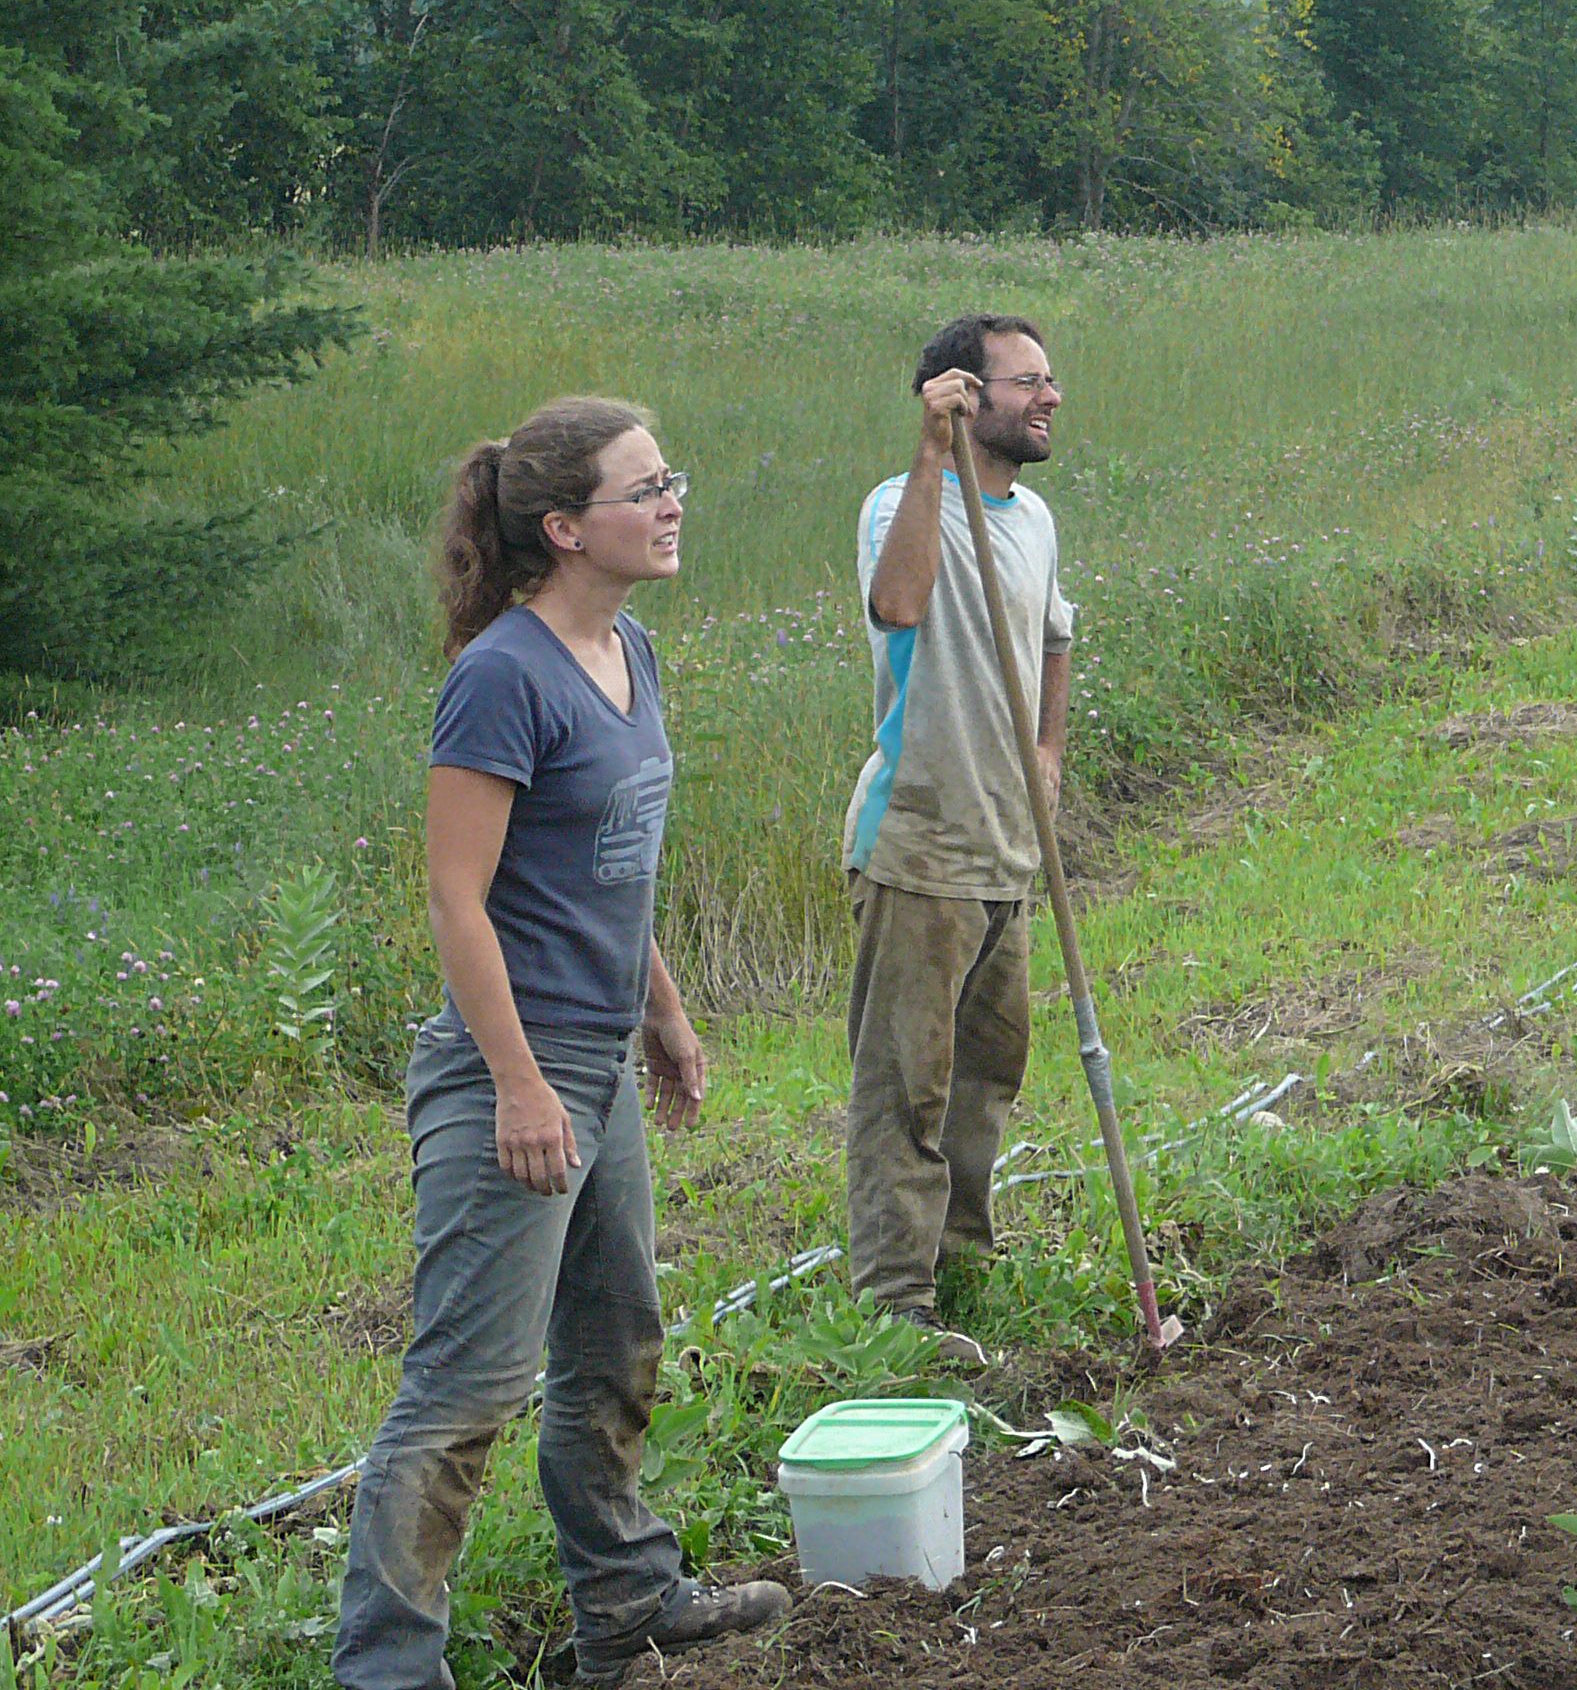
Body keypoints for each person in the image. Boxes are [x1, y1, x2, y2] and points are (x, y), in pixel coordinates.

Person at [335, 399, 789, 1690]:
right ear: (562, 526)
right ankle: (385, 1670)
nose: (672, 502)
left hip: (597, 1059)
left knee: (614, 1344)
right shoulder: (499, 676)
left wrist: (664, 1011)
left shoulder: (631, 652)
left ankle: (629, 1603)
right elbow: (457, 898)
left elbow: (607, 868)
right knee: (467, 1390)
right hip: (512, 1078)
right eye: (646, 488)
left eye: (670, 479)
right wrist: (521, 1085)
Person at [839, 316, 1075, 1363]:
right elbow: (897, 604)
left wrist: (1051, 752)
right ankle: (896, 1305)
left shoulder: (1036, 521)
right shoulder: (901, 503)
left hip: (1005, 845)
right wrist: (931, 458)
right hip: (920, 843)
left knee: (988, 1075)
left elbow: (1058, 636)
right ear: (964, 395)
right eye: (1029, 381)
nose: (1051, 397)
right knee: (908, 1083)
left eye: (1050, 379)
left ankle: (965, 1264)